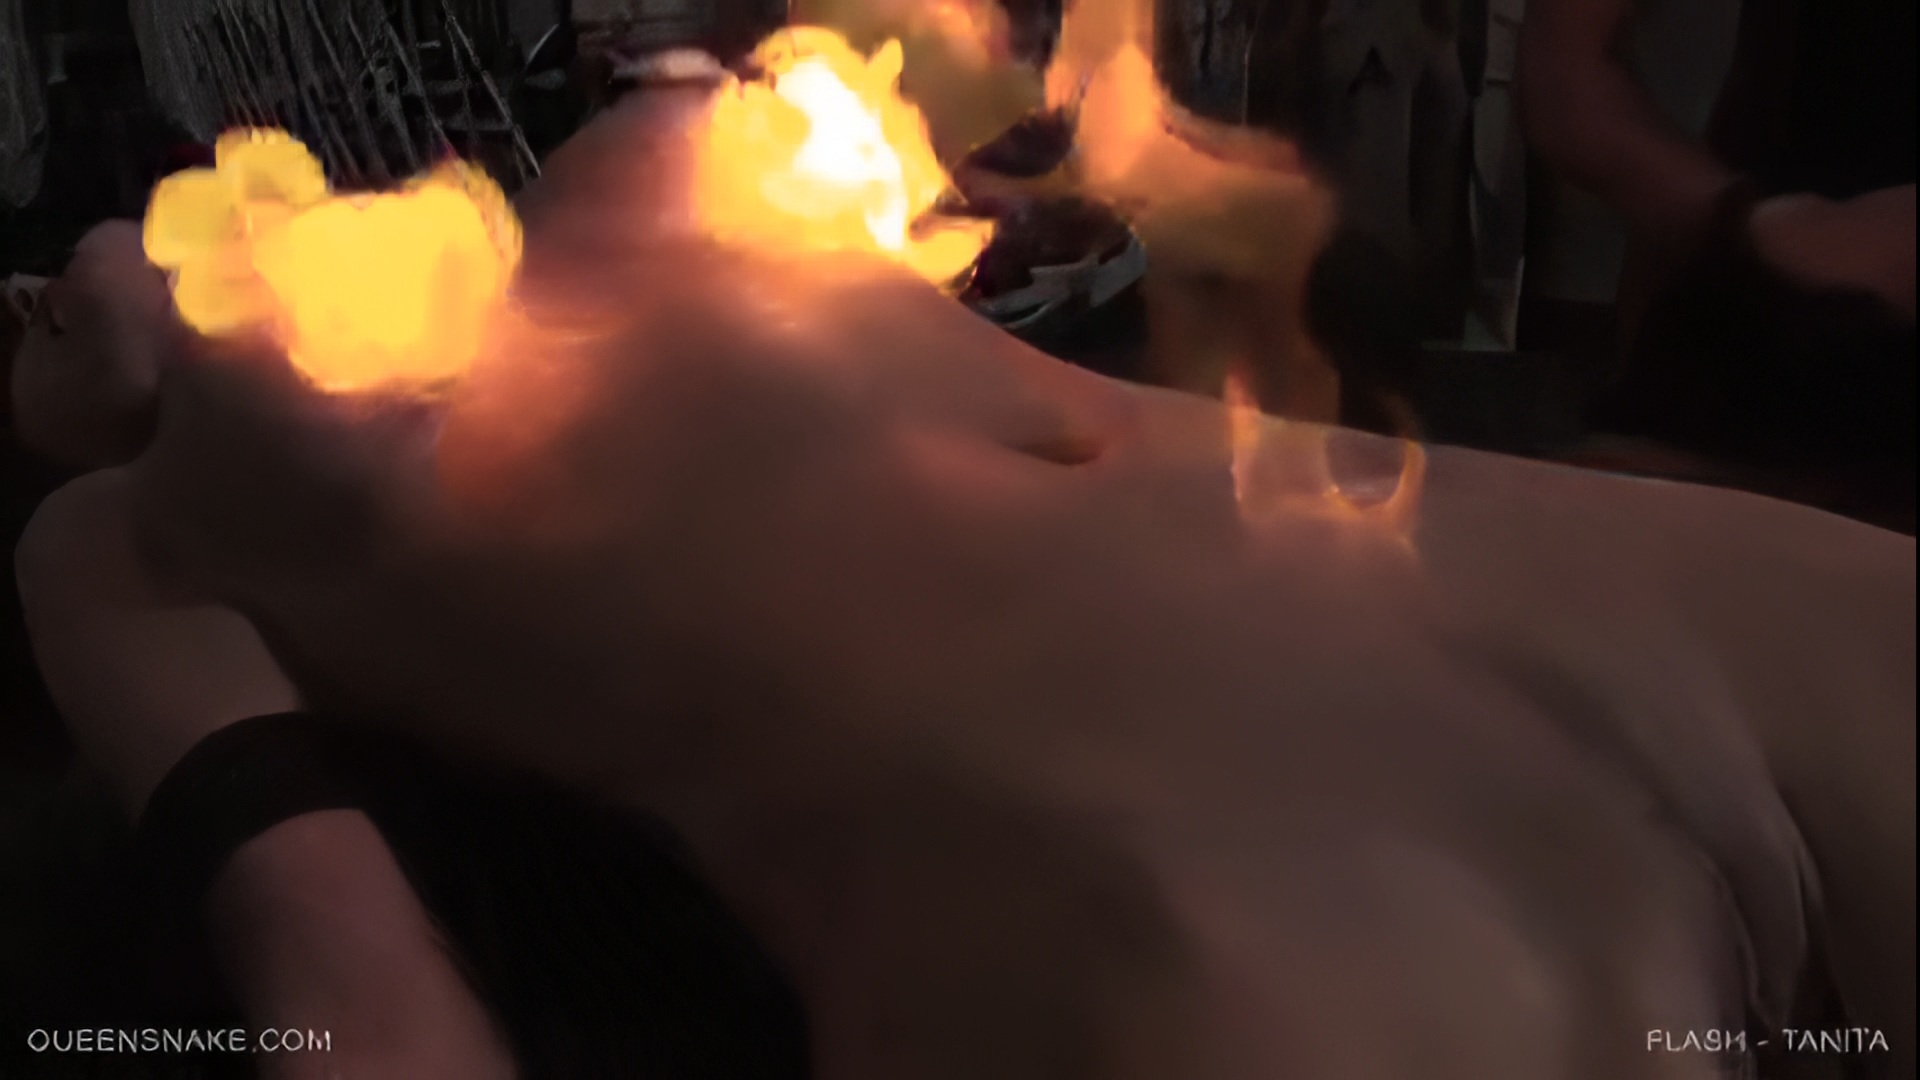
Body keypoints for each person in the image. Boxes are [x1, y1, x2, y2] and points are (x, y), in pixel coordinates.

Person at [16, 82, 1916, 1079]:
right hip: (1212, 887)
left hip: (1667, 629)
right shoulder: (128, 545)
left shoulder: (630, 185)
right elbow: (355, 1002)